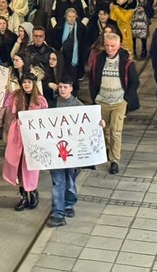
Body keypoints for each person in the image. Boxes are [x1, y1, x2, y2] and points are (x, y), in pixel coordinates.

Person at [46, 75, 103, 227]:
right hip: (56, 152)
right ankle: (58, 213)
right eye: (60, 87)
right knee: (58, 182)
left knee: (70, 181)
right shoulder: (51, 105)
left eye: (66, 87)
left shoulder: (79, 106)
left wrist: (99, 123)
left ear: (71, 88)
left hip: (73, 154)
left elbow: (90, 123)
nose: (62, 89)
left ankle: (69, 203)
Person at [90, 31, 139, 175]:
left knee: (116, 132)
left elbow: (134, 81)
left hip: (119, 102)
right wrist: (95, 97)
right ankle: (106, 150)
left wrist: (126, 99)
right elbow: (92, 78)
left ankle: (114, 160)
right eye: (107, 46)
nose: (109, 49)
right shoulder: (98, 59)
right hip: (102, 101)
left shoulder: (126, 62)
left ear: (118, 46)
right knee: (104, 130)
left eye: (112, 46)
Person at [2, 73, 46, 210]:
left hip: (32, 136)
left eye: (29, 82)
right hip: (18, 134)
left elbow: (45, 119)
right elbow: (3, 103)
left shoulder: (40, 100)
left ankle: (32, 191)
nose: (26, 84)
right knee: (17, 166)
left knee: (30, 166)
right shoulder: (16, 96)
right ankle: (23, 196)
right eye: (24, 82)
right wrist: (3, 90)